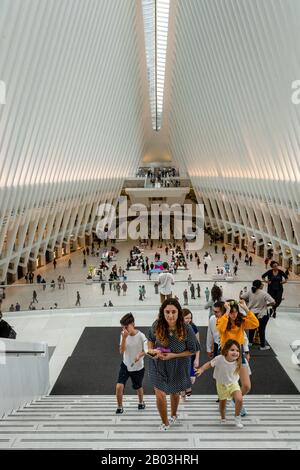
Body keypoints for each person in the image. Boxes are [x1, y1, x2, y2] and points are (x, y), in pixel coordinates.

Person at [147, 298, 200, 430]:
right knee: (159, 393)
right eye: (167, 312)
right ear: (162, 312)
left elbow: (193, 350)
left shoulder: (187, 329)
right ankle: (165, 422)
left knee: (175, 392)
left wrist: (174, 355)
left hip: (178, 365)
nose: (170, 315)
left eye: (173, 312)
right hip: (158, 365)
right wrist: (152, 350)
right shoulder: (157, 325)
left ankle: (174, 414)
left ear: (179, 313)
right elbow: (150, 339)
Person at [216, 299, 259, 416]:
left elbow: (255, 324)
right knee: (227, 382)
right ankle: (231, 402)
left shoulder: (241, 321)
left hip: (239, 354)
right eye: (231, 312)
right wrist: (227, 312)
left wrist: (245, 308)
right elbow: (220, 329)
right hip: (225, 355)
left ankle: (236, 399)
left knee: (246, 386)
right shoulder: (221, 320)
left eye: (235, 312)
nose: (233, 315)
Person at [196, 339, 244, 428]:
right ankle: (223, 417)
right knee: (222, 403)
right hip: (221, 384)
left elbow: (242, 370)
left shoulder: (238, 361)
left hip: (233, 383)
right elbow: (209, 364)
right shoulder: (219, 359)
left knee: (239, 399)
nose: (235, 353)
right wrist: (202, 369)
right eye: (232, 350)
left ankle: (237, 418)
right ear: (226, 350)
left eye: (237, 350)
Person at [115, 313, 147, 414]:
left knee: (138, 387)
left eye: (126, 327)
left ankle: (141, 402)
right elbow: (121, 351)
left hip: (138, 367)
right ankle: (120, 407)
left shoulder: (141, 336)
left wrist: (139, 355)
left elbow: (146, 350)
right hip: (125, 364)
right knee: (119, 386)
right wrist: (124, 338)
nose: (124, 329)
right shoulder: (123, 335)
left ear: (132, 324)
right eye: (122, 327)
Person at [240, 280, 275, 350]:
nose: (263, 285)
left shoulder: (250, 292)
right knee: (262, 329)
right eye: (262, 284)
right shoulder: (264, 293)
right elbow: (273, 302)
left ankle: (250, 342)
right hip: (262, 314)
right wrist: (266, 305)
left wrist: (248, 302)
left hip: (252, 313)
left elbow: (241, 297)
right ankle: (262, 346)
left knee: (251, 328)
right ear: (260, 286)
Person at [181, 309, 200, 399]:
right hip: (180, 355)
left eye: (190, 318)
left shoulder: (193, 327)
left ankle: (186, 386)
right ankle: (182, 389)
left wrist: (197, 358)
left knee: (192, 379)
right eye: (186, 318)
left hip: (191, 355)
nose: (189, 320)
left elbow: (198, 344)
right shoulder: (177, 327)